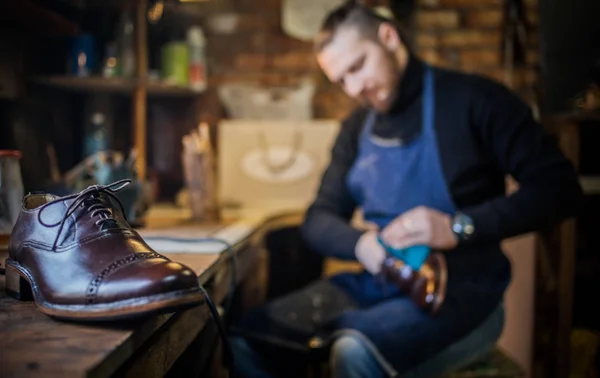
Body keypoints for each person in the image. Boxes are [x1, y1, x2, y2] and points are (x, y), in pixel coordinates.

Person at [228, 2, 583, 377]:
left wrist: (457, 227)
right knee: (246, 339)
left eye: (357, 66)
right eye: (341, 80)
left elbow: (559, 189)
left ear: (389, 37)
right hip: (378, 284)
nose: (354, 88)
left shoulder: (476, 101)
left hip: (462, 295)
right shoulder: (356, 128)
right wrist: (363, 246)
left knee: (353, 351)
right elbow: (318, 219)